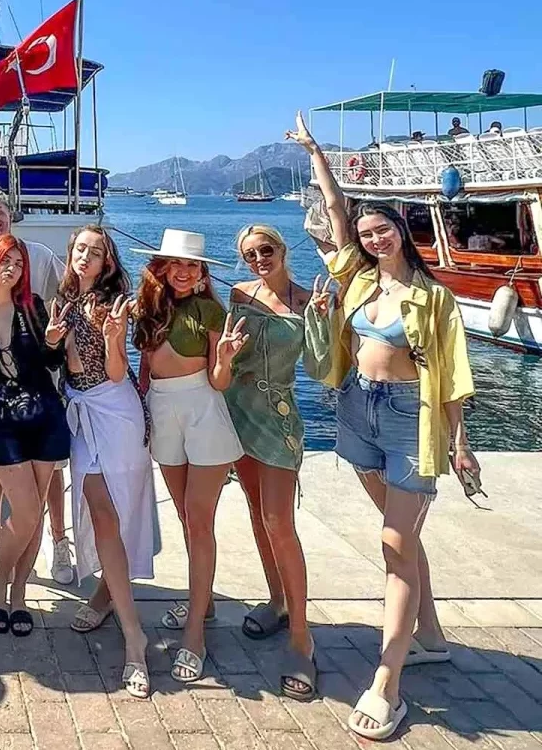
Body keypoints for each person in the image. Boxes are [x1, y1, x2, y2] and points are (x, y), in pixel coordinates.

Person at [290, 111, 479, 740]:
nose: (374, 239)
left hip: (408, 420)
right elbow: (334, 209)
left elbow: (452, 376)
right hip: (357, 411)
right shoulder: (358, 278)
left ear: (402, 231)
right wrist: (314, 152)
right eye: (367, 233)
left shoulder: (434, 297)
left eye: (383, 230)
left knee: (395, 543)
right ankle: (430, 637)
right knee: (402, 537)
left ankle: (386, 683)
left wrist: (461, 443)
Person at [131, 228, 248, 685]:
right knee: (184, 514)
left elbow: (219, 381)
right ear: (162, 267)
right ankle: (206, 601)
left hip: (203, 409)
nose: (184, 271)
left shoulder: (211, 310)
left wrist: (226, 357)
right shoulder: (148, 307)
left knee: (199, 520)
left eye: (192, 265)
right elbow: (145, 368)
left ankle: (195, 632)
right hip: (162, 409)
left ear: (201, 273)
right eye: (176, 263)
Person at [222, 224, 332, 701]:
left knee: (279, 522)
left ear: (282, 249)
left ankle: (302, 640)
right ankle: (277, 601)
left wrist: (322, 321)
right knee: (256, 514)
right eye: (249, 254)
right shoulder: (240, 294)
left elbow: (321, 371)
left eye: (265, 249)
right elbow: (228, 357)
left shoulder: (307, 301)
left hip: (278, 418)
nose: (258, 259)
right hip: (237, 413)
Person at [60, 225, 159, 700]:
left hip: (115, 410)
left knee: (116, 514)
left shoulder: (110, 304)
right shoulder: (64, 300)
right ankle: (108, 595)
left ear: (107, 263)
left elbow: (118, 373)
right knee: (101, 514)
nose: (85, 256)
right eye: (80, 249)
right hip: (80, 413)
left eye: (95, 252)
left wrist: (115, 339)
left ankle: (134, 637)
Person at [0, 187, 73, 588]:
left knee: (51, 474)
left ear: (11, 214)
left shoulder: (39, 255)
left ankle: (58, 540)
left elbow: (68, 292)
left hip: (40, 385)